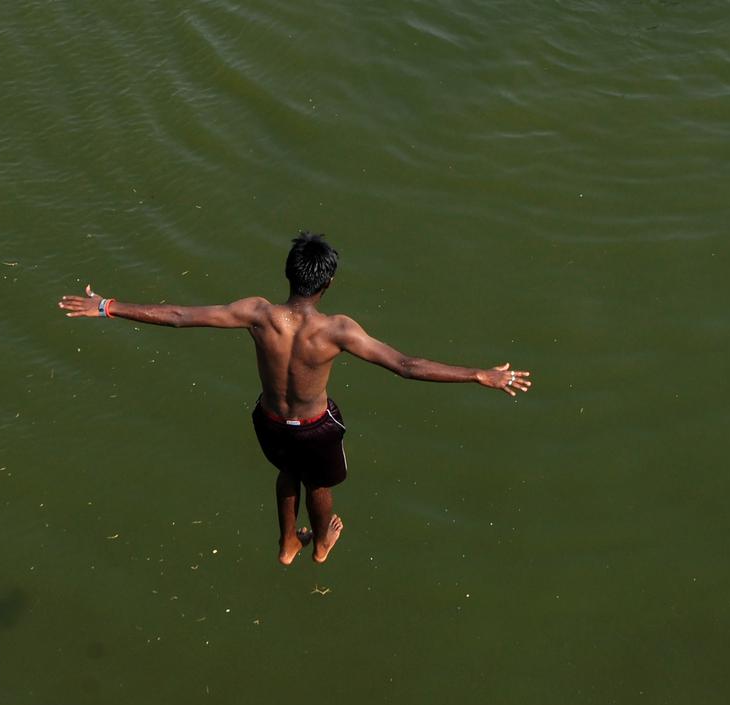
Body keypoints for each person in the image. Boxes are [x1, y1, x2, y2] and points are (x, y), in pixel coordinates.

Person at [58, 232, 531, 565]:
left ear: (288, 275)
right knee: (318, 484)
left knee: (286, 472)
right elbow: (405, 366)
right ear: (327, 285)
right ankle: (321, 541)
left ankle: (287, 542)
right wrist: (478, 375)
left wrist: (108, 307)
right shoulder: (336, 330)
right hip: (315, 429)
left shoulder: (257, 314)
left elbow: (181, 315)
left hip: (268, 419)